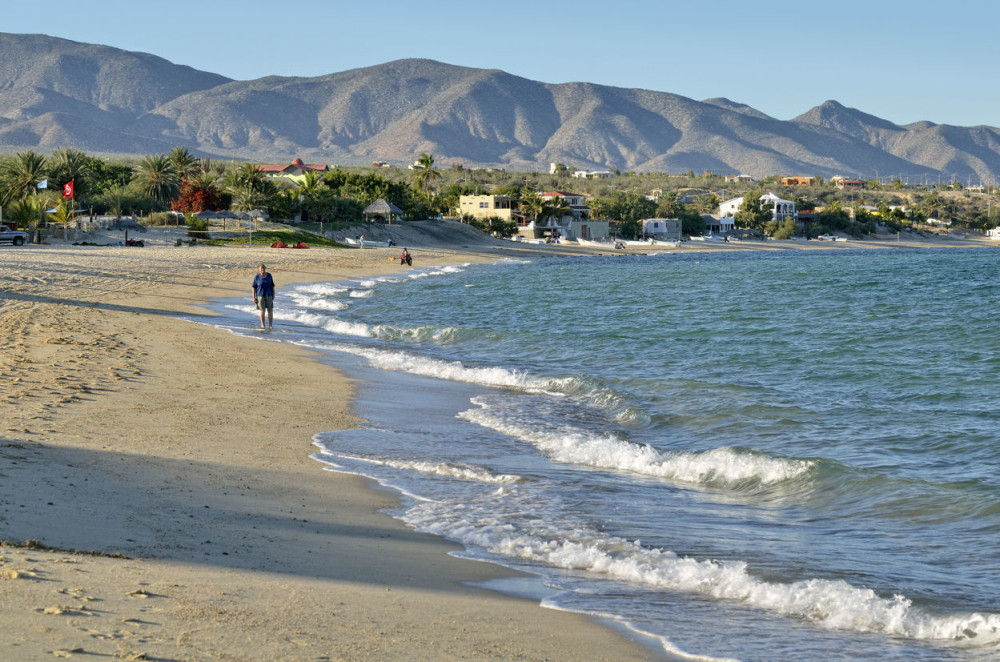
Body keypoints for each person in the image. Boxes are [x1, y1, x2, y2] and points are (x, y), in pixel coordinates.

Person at [251, 263, 276, 329]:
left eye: (263, 268)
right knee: (262, 310)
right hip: (260, 296)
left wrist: (273, 294)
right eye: (261, 269)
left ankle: (270, 325)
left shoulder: (269, 275)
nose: (262, 270)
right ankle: (263, 325)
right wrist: (253, 297)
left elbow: (272, 285)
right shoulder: (257, 277)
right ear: (259, 270)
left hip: (269, 295)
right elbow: (253, 287)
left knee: (270, 310)